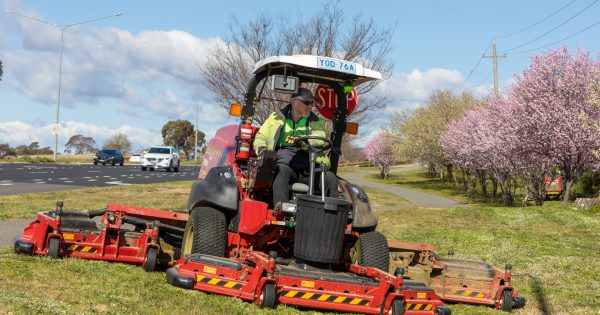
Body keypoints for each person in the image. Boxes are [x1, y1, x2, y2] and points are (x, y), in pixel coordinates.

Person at [254, 87, 339, 207]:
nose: (310, 106)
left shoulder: (316, 121)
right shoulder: (275, 118)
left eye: (312, 103)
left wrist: (306, 141)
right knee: (280, 172)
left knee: (330, 178)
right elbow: (261, 136)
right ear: (294, 102)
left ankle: (332, 215)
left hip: (310, 165)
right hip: (285, 164)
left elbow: (319, 135)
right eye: (306, 102)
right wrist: (262, 148)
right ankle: (281, 211)